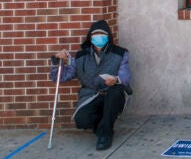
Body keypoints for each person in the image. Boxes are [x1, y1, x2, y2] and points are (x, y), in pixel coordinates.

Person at [51, 19, 132, 151]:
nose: (99, 38)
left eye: (102, 35)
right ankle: (103, 126)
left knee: (116, 91)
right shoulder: (80, 56)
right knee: (81, 120)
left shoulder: (120, 53)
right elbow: (60, 77)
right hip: (91, 95)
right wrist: (58, 62)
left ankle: (105, 135)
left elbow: (126, 77)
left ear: (108, 36)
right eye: (95, 35)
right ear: (90, 37)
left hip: (111, 94)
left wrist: (116, 79)